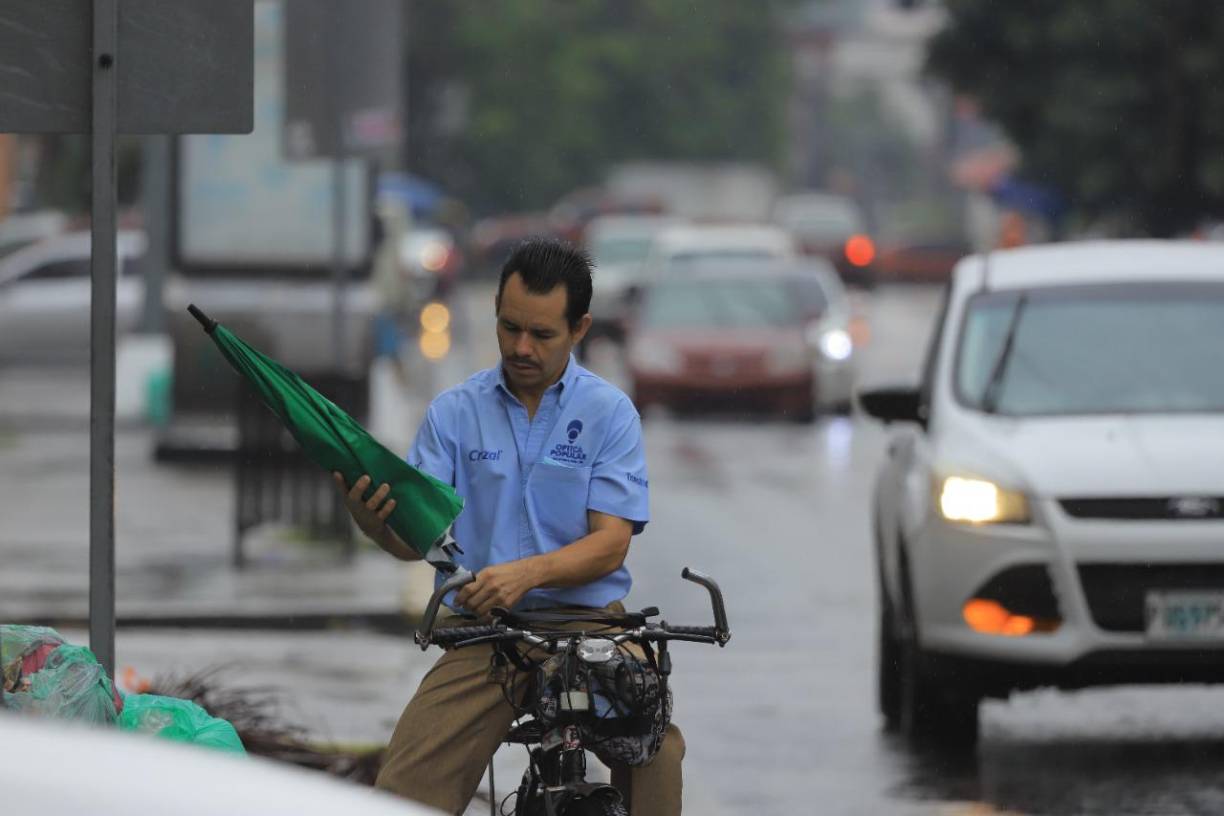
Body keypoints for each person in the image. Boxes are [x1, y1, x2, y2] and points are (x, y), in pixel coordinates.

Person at [334, 238, 684, 815]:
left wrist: (526, 574)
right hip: (485, 633)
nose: (521, 347)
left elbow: (610, 544)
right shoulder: (453, 412)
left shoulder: (609, 413)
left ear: (579, 328)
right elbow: (411, 540)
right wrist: (369, 518)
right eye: (509, 327)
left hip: (591, 627)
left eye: (542, 334)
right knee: (406, 781)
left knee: (657, 750)